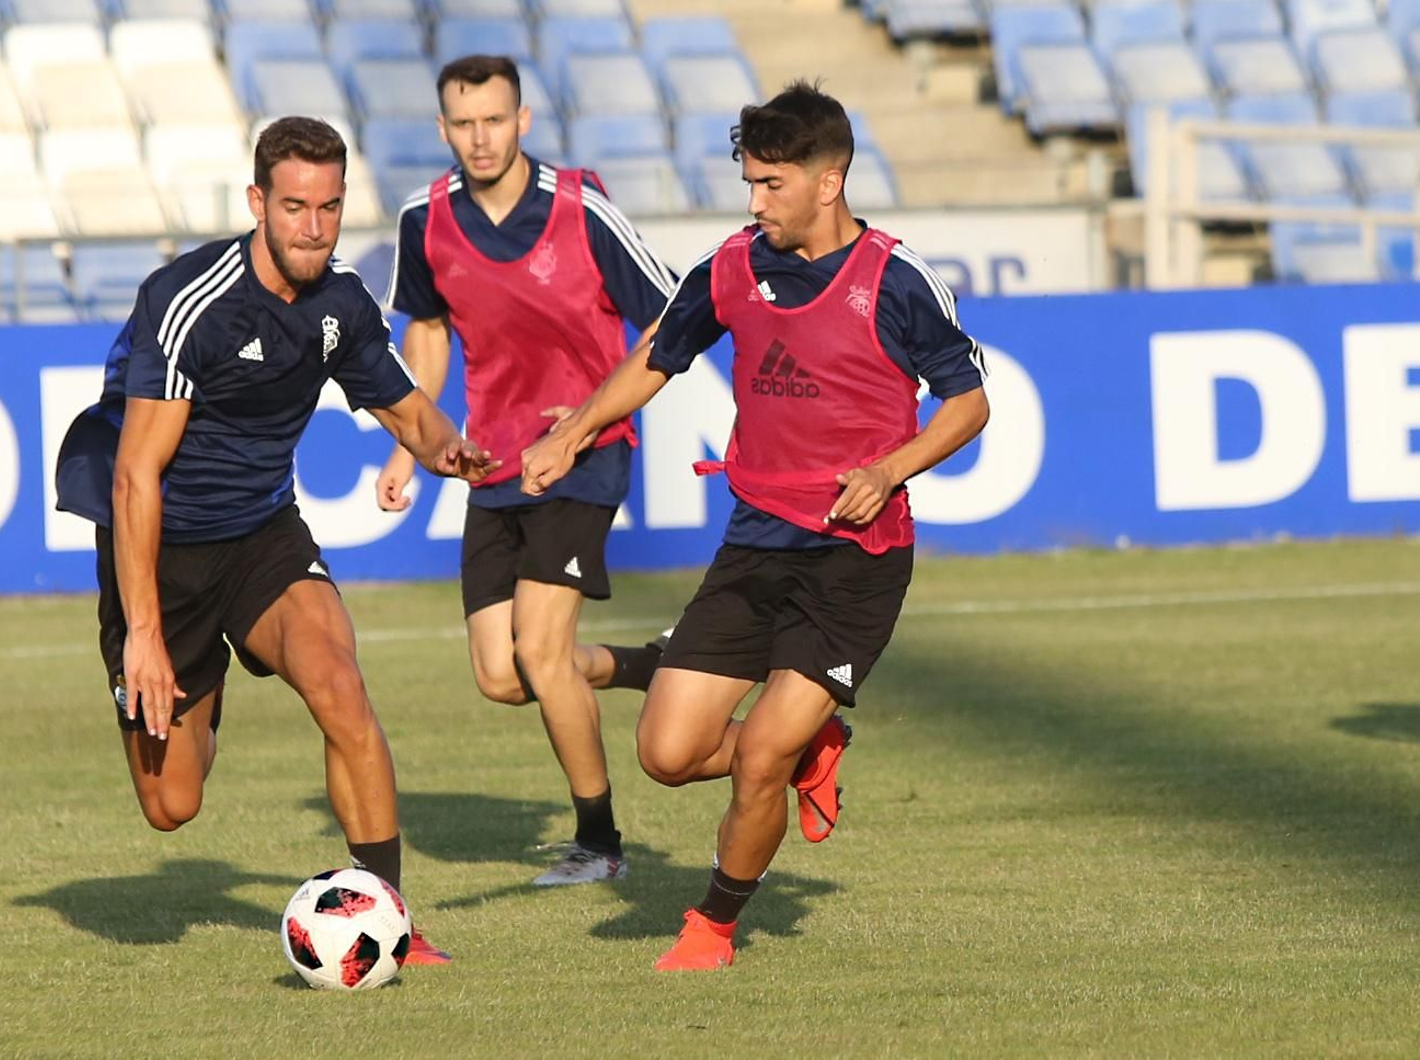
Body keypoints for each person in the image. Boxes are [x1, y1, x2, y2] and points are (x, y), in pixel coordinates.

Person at [521, 81, 991, 969]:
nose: (754, 200)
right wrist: (575, 432)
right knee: (667, 752)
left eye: (771, 182)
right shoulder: (733, 265)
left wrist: (890, 468)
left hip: (855, 558)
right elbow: (659, 354)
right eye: (750, 180)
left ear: (829, 180)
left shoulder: (896, 280)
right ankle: (813, 741)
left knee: (759, 755)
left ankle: (712, 928)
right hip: (754, 543)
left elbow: (968, 405)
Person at [54, 117, 496, 965]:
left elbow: (407, 409)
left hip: (263, 535)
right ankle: (200, 681)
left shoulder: (341, 303)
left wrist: (449, 450)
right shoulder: (188, 301)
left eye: (329, 208)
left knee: (341, 688)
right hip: (162, 555)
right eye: (295, 206)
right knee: (172, 804)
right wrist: (145, 634)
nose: (314, 227)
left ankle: (394, 922)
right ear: (259, 201)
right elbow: (134, 477)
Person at [376, 55, 678, 886]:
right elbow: (429, 337)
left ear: (524, 121)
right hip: (489, 463)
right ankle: (654, 663)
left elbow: (670, 322)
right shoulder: (425, 218)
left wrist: (586, 422)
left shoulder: (583, 207)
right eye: (464, 124)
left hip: (581, 461)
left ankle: (600, 843)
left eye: (494, 120)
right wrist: (410, 442)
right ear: (443, 129)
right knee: (503, 676)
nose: (480, 138)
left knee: (544, 656)